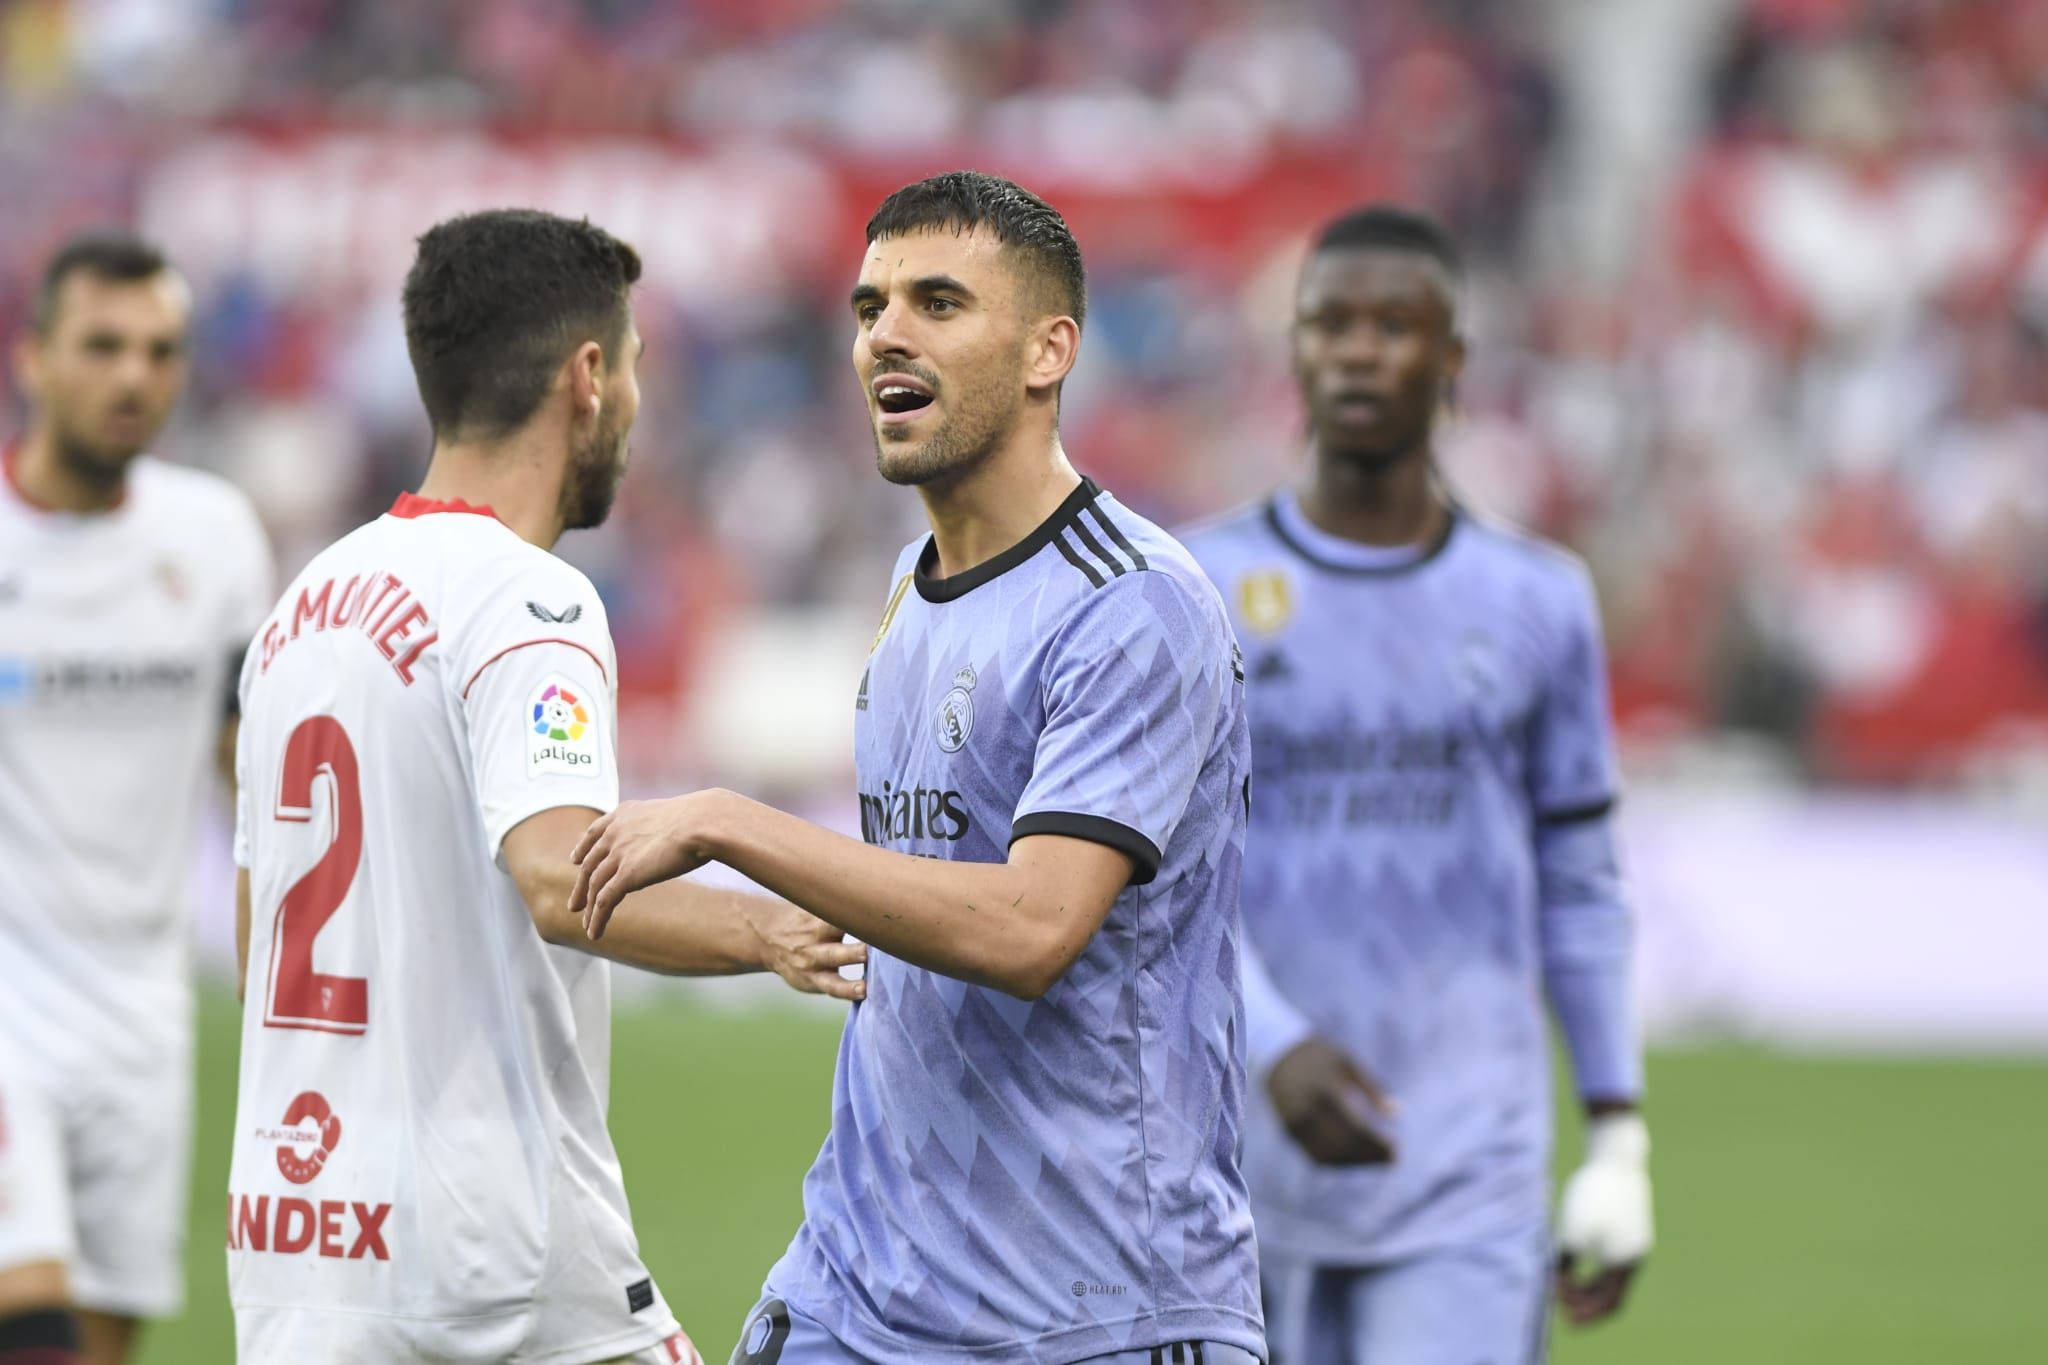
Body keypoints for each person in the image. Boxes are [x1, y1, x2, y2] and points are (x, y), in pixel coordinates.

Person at [570, 171, 1264, 1365]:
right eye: (868, 306)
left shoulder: (1132, 605)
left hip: (1091, 1309)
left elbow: (1030, 928)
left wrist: (733, 822)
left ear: (1049, 351)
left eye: (937, 303)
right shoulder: (909, 584)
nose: (884, 334)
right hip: (858, 1288)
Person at [226, 208, 863, 1365]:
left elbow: (250, 932)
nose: (637, 404)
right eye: (634, 367)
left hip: (298, 1248)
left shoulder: (298, 610)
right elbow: (562, 878)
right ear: (586, 376)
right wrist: (770, 931)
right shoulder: (529, 599)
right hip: (496, 1258)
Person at [1180, 205, 1654, 1365]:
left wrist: (1616, 1133)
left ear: (1451, 360)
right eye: (1329, 323)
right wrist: (1269, 1043)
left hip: (1464, 1170)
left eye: (1392, 326)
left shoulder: (1536, 600)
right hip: (1228, 1167)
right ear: (1293, 349)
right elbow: (1160, 882)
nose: (1357, 350)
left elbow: (1578, 879)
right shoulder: (1193, 588)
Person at [0, 233, 273, 1365]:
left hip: (141, 1014)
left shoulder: (213, 538)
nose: (133, 377)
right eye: (102, 345)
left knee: (99, 1344)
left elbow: (253, 782)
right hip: (7, 995)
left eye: (160, 352)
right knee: (32, 1322)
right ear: (33, 359)